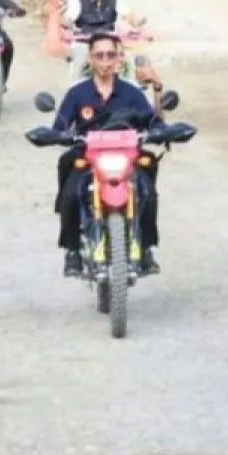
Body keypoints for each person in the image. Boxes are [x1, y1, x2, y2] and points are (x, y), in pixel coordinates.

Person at [51, 33, 162, 278]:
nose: (105, 61)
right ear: (91, 58)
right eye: (99, 55)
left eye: (110, 55)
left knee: (149, 194)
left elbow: (154, 122)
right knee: (70, 195)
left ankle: (145, 249)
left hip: (127, 158)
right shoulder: (76, 93)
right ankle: (72, 252)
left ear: (118, 58)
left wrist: (162, 127)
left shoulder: (133, 93)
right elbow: (59, 126)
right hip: (88, 158)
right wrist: (56, 135)